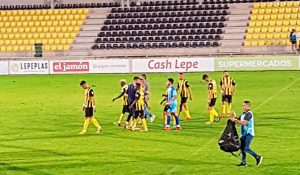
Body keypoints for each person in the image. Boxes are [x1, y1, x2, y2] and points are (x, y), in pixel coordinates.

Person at [230, 101, 263, 167]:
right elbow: (238, 121)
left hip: (249, 133)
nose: (243, 106)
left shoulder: (249, 114)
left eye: (244, 105)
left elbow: (244, 123)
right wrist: (233, 116)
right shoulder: (243, 114)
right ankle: (243, 162)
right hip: (244, 134)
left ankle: (257, 157)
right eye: (243, 105)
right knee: (242, 148)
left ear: (248, 106)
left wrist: (236, 120)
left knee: (246, 148)